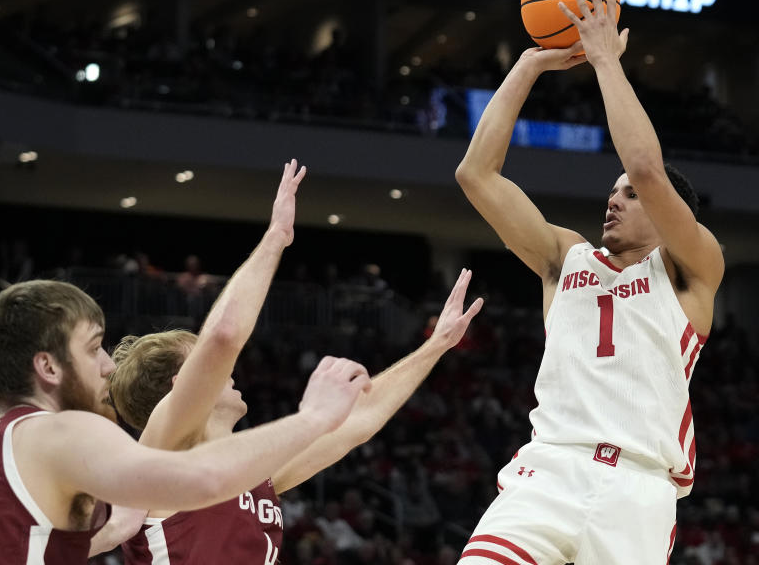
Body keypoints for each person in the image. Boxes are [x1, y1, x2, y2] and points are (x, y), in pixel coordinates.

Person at [454, 0, 725, 565]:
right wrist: (528, 66)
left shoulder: (691, 268)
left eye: (627, 196)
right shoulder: (565, 257)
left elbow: (648, 168)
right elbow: (477, 176)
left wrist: (605, 60)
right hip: (548, 468)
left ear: (664, 212)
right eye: (612, 192)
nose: (615, 200)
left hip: (639, 487)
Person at [96, 160, 484, 563]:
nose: (227, 370)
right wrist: (276, 237)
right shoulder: (163, 456)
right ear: (180, 385)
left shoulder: (251, 472)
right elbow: (224, 334)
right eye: (203, 364)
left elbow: (356, 422)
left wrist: (436, 346)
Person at [0, 275, 370, 565]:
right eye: (93, 349)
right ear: (48, 366)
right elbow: (205, 475)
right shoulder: (53, 433)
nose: (105, 367)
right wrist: (313, 417)